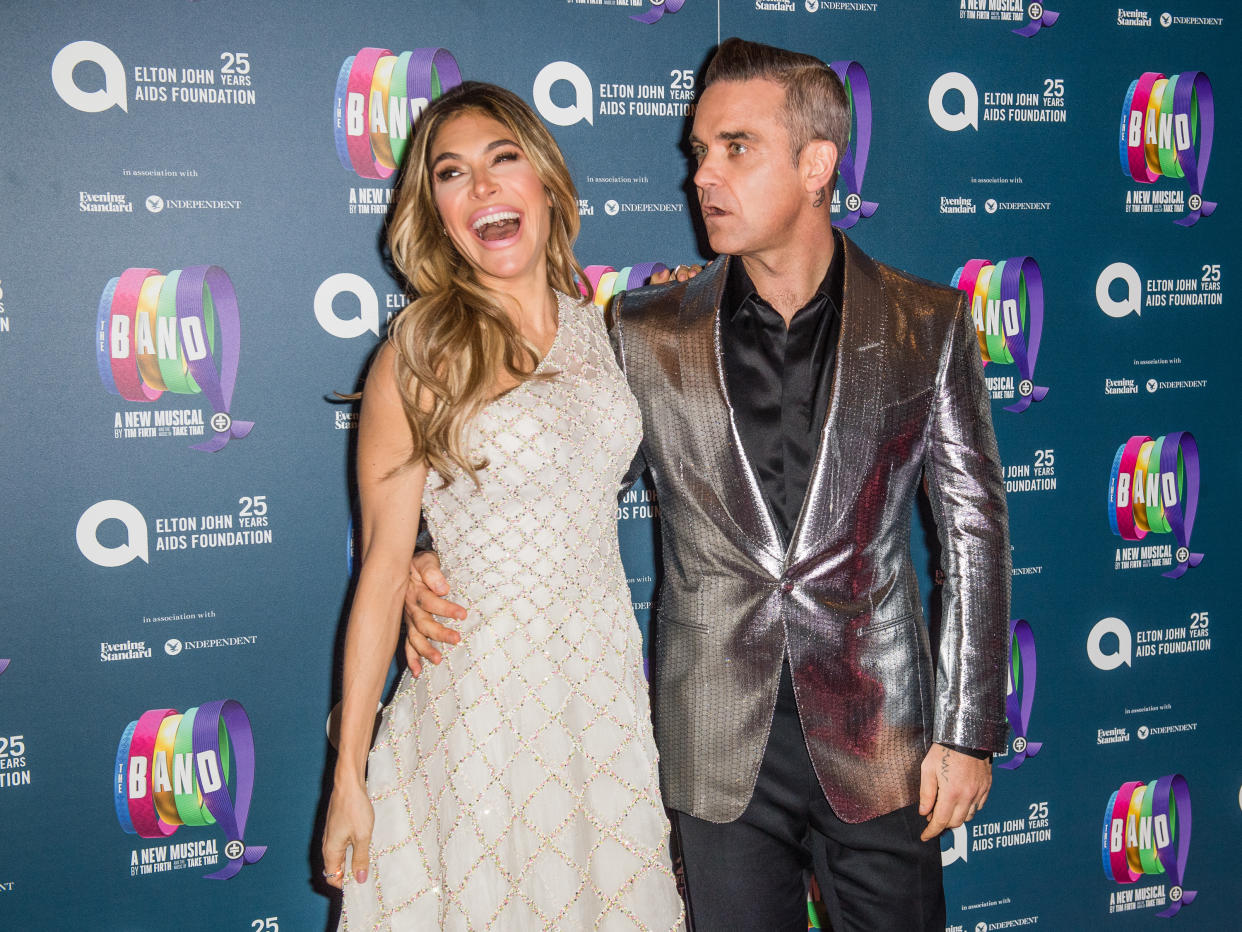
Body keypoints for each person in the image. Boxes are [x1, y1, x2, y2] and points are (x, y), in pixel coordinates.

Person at [406, 40, 1010, 931]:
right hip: (714, 743)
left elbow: (974, 531)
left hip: (882, 739)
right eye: (698, 152)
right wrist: (437, 552)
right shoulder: (647, 329)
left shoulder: (930, 321)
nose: (703, 177)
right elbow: (557, 468)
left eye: (735, 148)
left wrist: (966, 730)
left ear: (816, 164)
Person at [321, 81, 684, 931]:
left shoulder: (612, 330)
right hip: (477, 708)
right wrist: (349, 777)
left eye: (501, 159)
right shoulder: (418, 353)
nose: (481, 188)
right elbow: (379, 570)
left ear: (547, 182)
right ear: (436, 211)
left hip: (596, 700)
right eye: (452, 174)